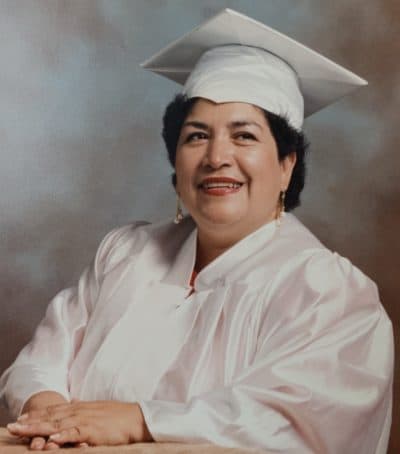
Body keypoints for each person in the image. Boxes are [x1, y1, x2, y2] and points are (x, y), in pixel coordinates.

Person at [0, 8, 393, 453]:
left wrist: (140, 420)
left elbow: (300, 425)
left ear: (287, 165)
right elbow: (41, 361)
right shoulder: (125, 254)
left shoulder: (326, 293)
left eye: (244, 136)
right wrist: (52, 413)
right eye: (196, 136)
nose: (216, 157)